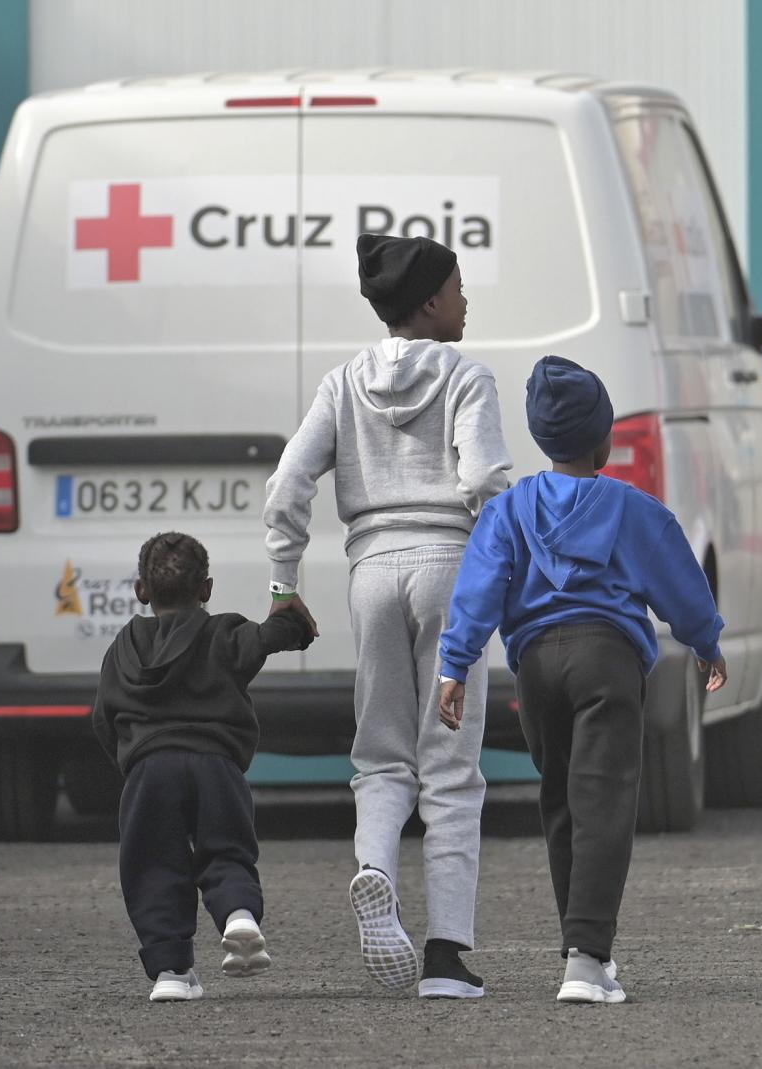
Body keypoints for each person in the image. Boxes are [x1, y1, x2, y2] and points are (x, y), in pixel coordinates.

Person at [263, 234, 512, 999]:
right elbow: (486, 480)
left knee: (380, 754)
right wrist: (508, 570)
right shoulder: (468, 378)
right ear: (432, 301)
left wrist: (282, 580)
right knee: (451, 766)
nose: (467, 301)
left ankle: (375, 865)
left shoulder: (342, 383)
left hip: (370, 572)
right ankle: (445, 957)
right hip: (449, 568)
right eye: (460, 288)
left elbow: (288, 482)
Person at [437, 355, 727, 1005]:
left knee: (563, 802)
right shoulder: (632, 508)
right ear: (605, 438)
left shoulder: (509, 511)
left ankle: (581, 951)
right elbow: (681, 584)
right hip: (607, 662)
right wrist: (706, 641)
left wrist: (456, 663)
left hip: (535, 667)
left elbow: (479, 590)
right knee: (605, 805)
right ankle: (587, 959)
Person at [91, 531, 313, 1003]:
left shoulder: (123, 648)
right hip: (217, 766)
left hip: (149, 768)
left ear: (141, 591)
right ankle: (238, 916)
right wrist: (293, 613)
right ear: (206, 589)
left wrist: (131, 763)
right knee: (227, 849)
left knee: (152, 863)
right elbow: (274, 635)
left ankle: (171, 973)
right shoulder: (225, 633)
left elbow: (103, 719)